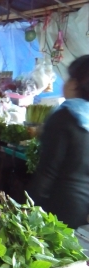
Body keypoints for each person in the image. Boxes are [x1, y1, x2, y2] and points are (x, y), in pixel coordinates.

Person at [27, 55, 89, 229]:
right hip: (81, 211)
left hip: (58, 206)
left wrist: (28, 207)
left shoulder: (64, 117)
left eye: (70, 78)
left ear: (76, 84)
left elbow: (47, 172)